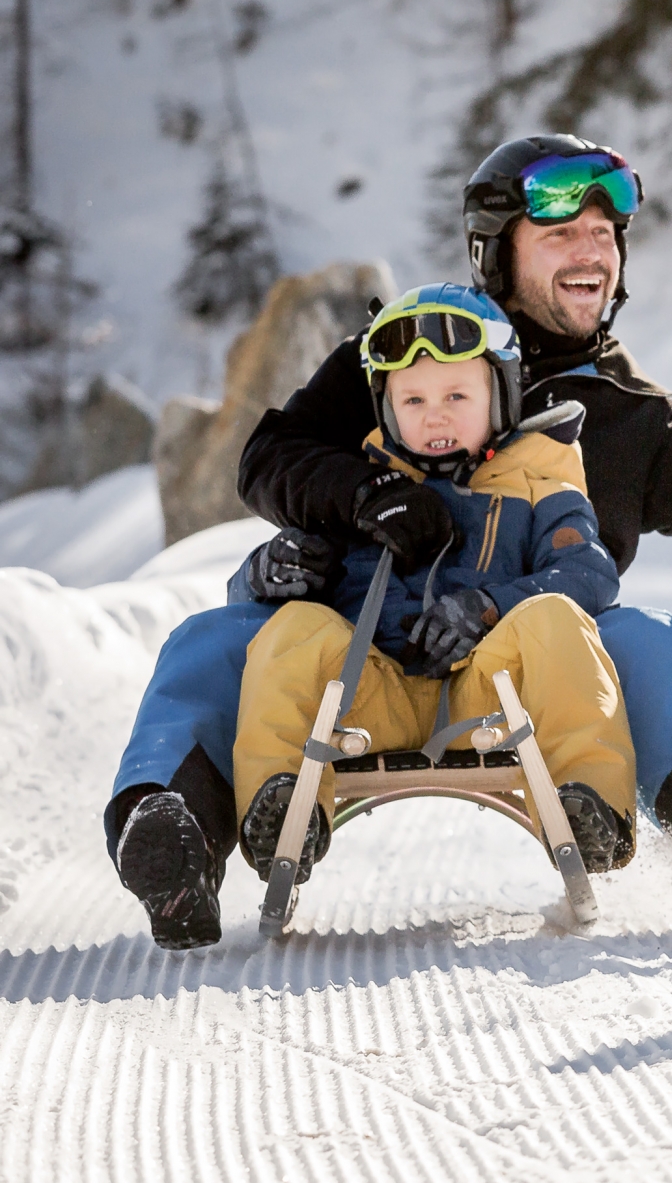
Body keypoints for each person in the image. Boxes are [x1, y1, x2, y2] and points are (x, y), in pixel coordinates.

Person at [108, 136, 672, 947]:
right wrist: (366, 494)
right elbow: (271, 457)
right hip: (358, 649)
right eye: (561, 233)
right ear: (496, 251)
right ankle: (173, 836)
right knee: (221, 640)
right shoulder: (405, 354)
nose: (591, 248)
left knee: (640, 641)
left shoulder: (625, 415)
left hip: (531, 653)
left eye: (604, 232)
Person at [217, 286, 638, 931]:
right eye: (413, 401)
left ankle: (591, 806)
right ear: (385, 406)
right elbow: (250, 603)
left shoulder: (539, 477)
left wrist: (491, 606)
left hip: (489, 698)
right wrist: (267, 573)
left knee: (555, 619)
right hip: (368, 695)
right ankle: (283, 809)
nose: (434, 418)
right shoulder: (363, 483)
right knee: (295, 630)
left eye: (456, 398)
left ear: (501, 395)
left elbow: (588, 571)